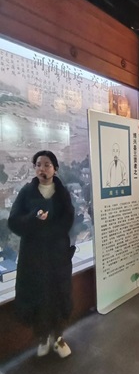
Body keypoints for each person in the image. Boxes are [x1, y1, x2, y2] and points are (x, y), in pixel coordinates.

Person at [8, 150, 75, 358]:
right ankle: (43, 337)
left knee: (58, 293)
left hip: (57, 255)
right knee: (39, 294)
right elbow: (13, 221)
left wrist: (50, 230)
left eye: (47, 165)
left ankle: (58, 337)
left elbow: (68, 220)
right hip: (34, 256)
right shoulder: (26, 192)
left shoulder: (62, 193)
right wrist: (33, 219)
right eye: (38, 165)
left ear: (55, 169)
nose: (42, 169)